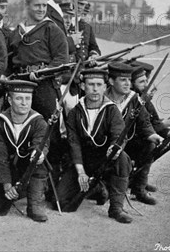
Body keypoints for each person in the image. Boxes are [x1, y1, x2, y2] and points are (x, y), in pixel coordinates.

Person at [8, 0, 68, 194]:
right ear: (27, 6)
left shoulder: (52, 29)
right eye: (37, 6)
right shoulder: (17, 31)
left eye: (44, 5)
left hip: (43, 87)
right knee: (20, 130)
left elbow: (62, 59)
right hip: (20, 86)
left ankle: (49, 186)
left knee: (49, 133)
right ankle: (21, 182)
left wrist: (42, 72)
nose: (41, 9)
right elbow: (10, 58)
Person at [58, 68, 133, 223]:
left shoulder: (111, 110)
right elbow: (74, 142)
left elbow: (119, 135)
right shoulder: (74, 113)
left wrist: (114, 148)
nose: (95, 89)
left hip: (105, 158)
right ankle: (98, 188)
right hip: (83, 160)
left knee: (122, 158)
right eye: (91, 84)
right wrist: (81, 172)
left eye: (99, 84)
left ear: (105, 87)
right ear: (83, 87)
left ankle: (116, 208)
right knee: (61, 202)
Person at [0, 80, 49, 222]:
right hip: (9, 169)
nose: (24, 103)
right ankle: (23, 190)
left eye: (28, 98)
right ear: (9, 99)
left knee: (39, 162)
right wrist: (7, 185)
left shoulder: (39, 121)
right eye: (19, 98)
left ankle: (34, 204)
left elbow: (40, 143)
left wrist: (38, 153)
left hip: (30, 168)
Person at [105, 63, 163, 205]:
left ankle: (138, 189)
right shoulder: (102, 98)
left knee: (149, 145)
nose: (127, 84)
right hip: (104, 144)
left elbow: (144, 122)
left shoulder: (133, 98)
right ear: (111, 81)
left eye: (128, 80)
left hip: (125, 142)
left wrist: (152, 135)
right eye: (122, 80)